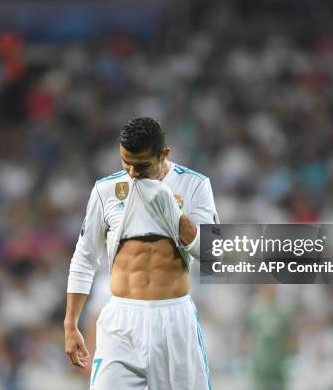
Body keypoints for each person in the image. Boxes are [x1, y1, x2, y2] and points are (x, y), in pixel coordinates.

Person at [64, 117, 219, 390]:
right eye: (127, 163)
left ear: (164, 154)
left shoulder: (195, 185)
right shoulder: (105, 190)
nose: (133, 173)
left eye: (143, 165)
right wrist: (70, 323)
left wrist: (176, 216)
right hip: (121, 322)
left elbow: (214, 254)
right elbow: (85, 258)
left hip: (173, 319)